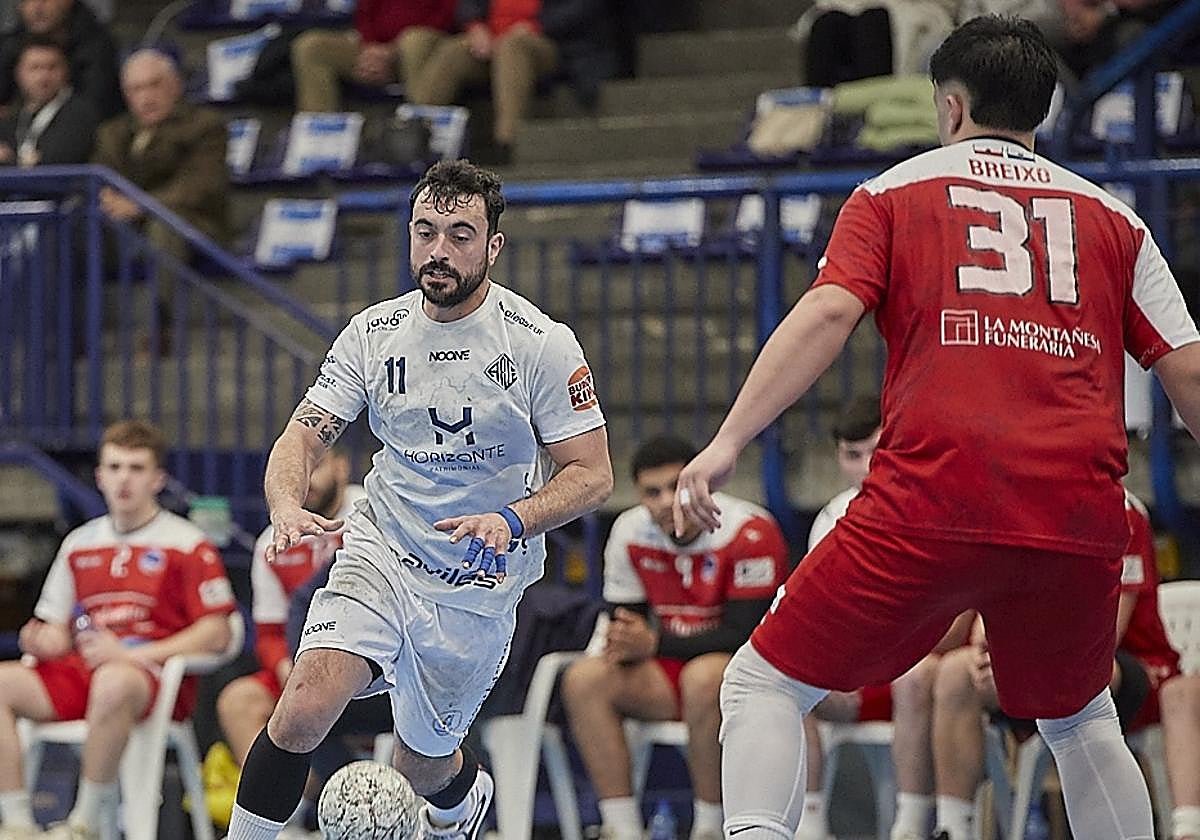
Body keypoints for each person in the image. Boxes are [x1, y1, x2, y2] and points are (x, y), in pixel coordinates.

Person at [673, 15, 1200, 840]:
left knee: (762, 684)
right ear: (1042, 111)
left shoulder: (890, 193)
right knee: (1079, 717)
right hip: (1075, 513)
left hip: (931, 500)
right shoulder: (1117, 221)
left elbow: (827, 312)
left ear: (949, 108)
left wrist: (730, 440)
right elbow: (1189, 371)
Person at [224, 158, 613, 840]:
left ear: (493, 246)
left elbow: (593, 474)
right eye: (426, 231)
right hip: (382, 546)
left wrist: (511, 518)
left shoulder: (540, 345)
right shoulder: (374, 334)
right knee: (304, 704)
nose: (439, 250)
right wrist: (285, 505)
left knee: (422, 761)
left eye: (460, 234)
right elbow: (302, 436)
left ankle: (461, 804)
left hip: (476, 583)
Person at [0, 420, 236, 840]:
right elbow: (56, 629)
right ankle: (17, 823)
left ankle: (83, 824)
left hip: (150, 680)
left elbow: (217, 632)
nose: (124, 479)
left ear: (157, 478)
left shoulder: (187, 543)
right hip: (83, 672)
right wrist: (42, 640)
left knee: (112, 681)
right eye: (114, 467)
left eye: (136, 468)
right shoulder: (79, 543)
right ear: (99, 476)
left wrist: (131, 656)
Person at [561, 436, 788, 840]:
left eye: (676, 487)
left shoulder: (751, 532)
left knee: (703, 677)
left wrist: (652, 644)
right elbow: (626, 629)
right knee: (583, 679)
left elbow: (744, 636)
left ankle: (708, 827)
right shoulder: (629, 531)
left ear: (703, 484)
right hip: (666, 676)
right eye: (653, 492)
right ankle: (622, 827)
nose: (667, 501)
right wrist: (632, 643)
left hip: (740, 676)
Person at [930, 489, 1178, 839]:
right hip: (1032, 658)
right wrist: (990, 655)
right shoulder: (1011, 502)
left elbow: (1107, 632)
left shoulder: (1122, 511)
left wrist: (1015, 661)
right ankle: (951, 827)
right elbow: (982, 621)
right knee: (954, 672)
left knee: (1084, 678)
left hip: (1118, 662)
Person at [795, 395, 972, 840]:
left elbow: (962, 613)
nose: (866, 466)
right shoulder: (831, 519)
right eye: (852, 456)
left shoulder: (945, 506)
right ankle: (809, 826)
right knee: (790, 679)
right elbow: (822, 617)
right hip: (862, 674)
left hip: (924, 667)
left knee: (916, 675)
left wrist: (893, 654)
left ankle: (910, 825)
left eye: (876, 451)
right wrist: (831, 671)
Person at [215, 450, 365, 836]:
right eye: (300, 470)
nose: (308, 479)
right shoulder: (274, 539)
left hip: (370, 664)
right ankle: (286, 817)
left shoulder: (369, 512)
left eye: (318, 466)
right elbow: (267, 633)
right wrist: (284, 666)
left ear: (342, 467)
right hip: (300, 666)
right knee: (238, 701)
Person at [405, 0, 615, 162]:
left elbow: (585, 8)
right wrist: (476, 26)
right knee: (454, 51)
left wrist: (537, 26)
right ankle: (414, 136)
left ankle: (506, 143)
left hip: (550, 41)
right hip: (492, 40)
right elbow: (469, 4)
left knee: (512, 47)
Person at [93, 49, 230, 263]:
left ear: (175, 85)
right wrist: (107, 198)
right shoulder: (112, 132)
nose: (146, 98)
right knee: (69, 222)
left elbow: (198, 186)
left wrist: (140, 206)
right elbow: (102, 176)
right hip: (128, 225)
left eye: (154, 85)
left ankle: (163, 298)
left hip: (192, 221)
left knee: (164, 226)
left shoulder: (205, 125)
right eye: (136, 90)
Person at [289, 0, 456, 112]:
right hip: (376, 48)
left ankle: (416, 134)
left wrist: (392, 50)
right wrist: (371, 48)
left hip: (428, 47)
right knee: (311, 46)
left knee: (414, 41)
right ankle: (321, 138)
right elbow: (365, 13)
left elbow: (447, 15)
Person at [0, 0, 119, 120]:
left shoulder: (97, 46)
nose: (37, 7)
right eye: (27, 0)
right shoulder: (10, 44)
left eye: (46, 0)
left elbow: (94, 107)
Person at [0, 34, 97, 166]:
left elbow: (59, 159)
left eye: (52, 67)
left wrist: (12, 160)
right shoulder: (12, 117)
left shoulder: (79, 113)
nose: (43, 77)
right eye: (35, 68)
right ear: (18, 73)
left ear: (66, 71)